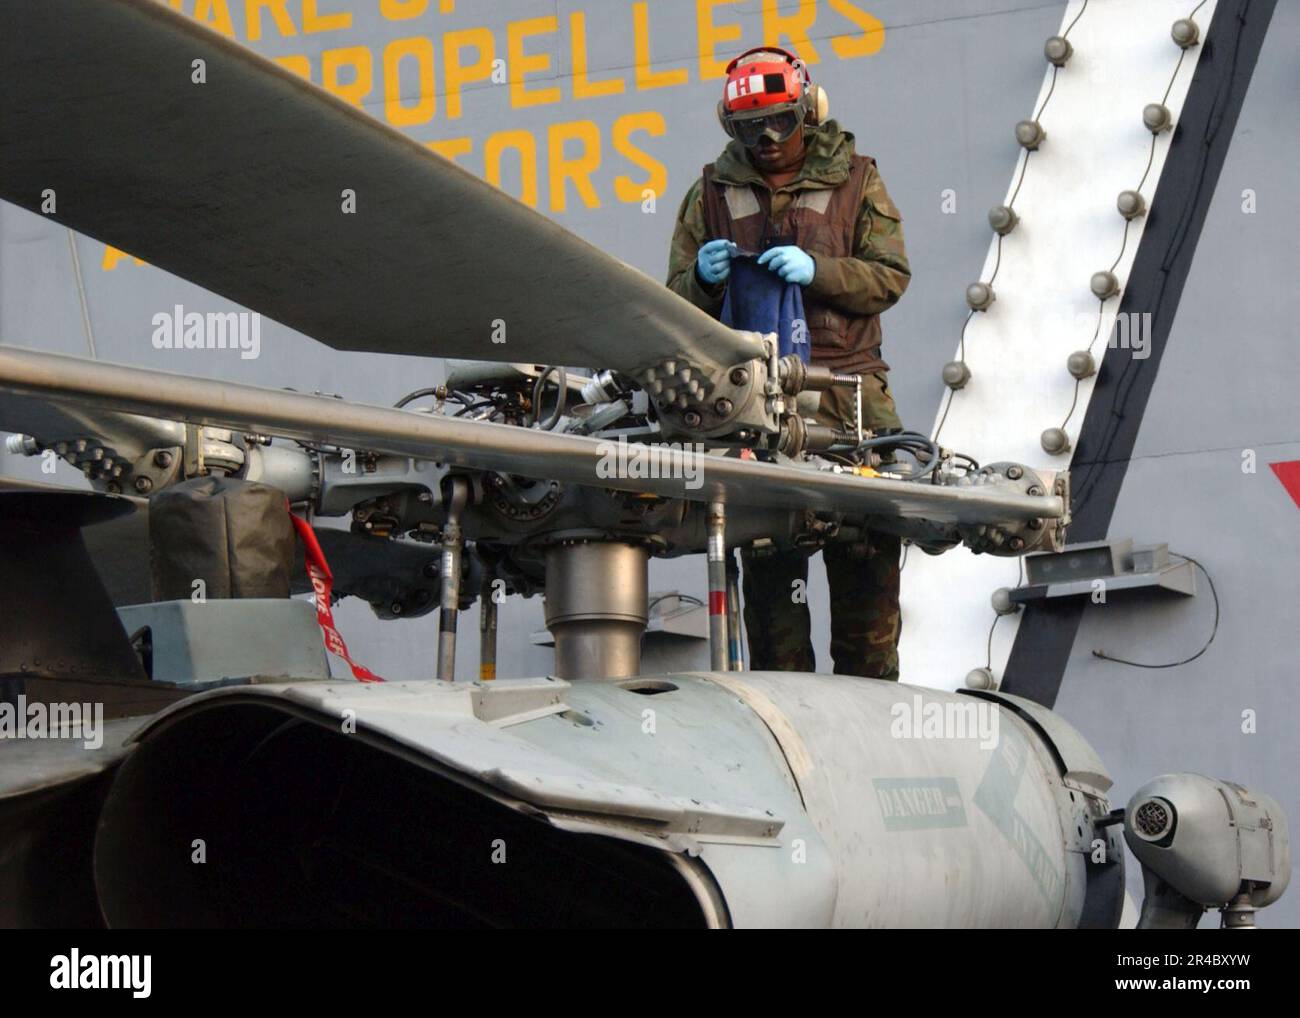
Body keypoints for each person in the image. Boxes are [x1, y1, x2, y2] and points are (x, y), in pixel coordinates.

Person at [665, 47, 911, 680]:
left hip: (851, 405)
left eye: (779, 121)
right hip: (757, 413)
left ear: (808, 111)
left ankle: (872, 722)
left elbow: (889, 277)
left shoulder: (857, 179)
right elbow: (674, 306)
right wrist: (702, 281)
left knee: (867, 600)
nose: (767, 139)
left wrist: (820, 272)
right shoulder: (711, 193)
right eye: (750, 128)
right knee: (775, 620)